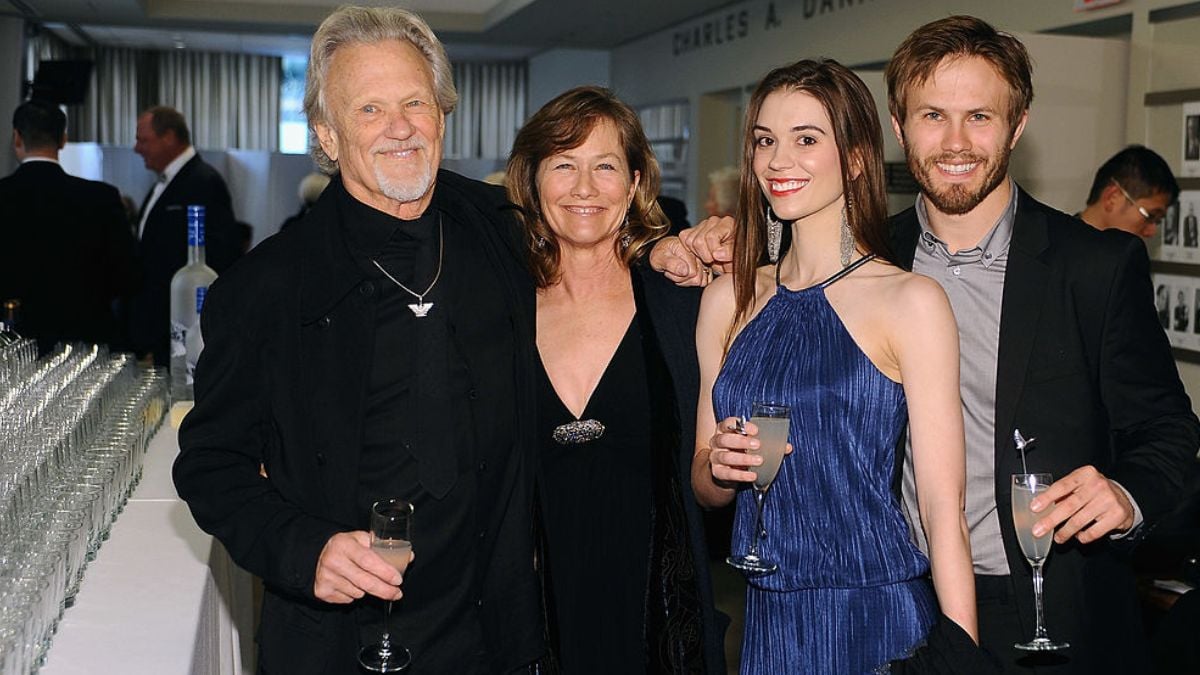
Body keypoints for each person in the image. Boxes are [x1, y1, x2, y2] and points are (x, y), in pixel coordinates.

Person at [659, 15, 1200, 674]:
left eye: (979, 117)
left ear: (1017, 126)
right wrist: (682, 245)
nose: (954, 141)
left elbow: (1170, 432)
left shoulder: (1093, 267)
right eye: (932, 115)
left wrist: (1125, 493)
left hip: (1051, 610)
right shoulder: (866, 258)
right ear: (896, 126)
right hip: (900, 601)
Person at [173, 7, 545, 673]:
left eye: (415, 102)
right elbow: (211, 464)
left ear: (442, 114)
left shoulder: (502, 231)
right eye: (370, 109)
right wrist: (305, 548)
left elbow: (602, 266)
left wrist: (676, 256)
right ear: (329, 135)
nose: (399, 127)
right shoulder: (268, 288)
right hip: (341, 643)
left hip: (494, 633)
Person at [691, 59, 976, 674]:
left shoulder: (910, 301)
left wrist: (962, 656)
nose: (777, 160)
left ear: (854, 157)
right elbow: (705, 488)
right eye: (765, 140)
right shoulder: (728, 298)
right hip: (765, 618)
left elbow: (942, 508)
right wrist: (717, 464)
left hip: (877, 619)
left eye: (806, 139)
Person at [505, 85, 723, 674]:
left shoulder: (681, 306)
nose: (583, 188)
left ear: (632, 184)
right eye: (563, 165)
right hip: (531, 625)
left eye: (604, 166)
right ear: (531, 181)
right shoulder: (496, 311)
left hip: (660, 626)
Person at [0, 99, 137, 354]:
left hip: (11, 346)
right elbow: (126, 277)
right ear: (63, 139)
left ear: (16, 138)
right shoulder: (101, 198)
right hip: (86, 347)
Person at [128, 105, 240, 366]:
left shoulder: (203, 182)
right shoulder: (166, 182)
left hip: (184, 328)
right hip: (160, 328)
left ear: (168, 137)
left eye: (143, 140)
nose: (136, 148)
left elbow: (221, 257)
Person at [1077, 145, 1177, 239]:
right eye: (1150, 216)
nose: (1151, 232)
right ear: (1112, 198)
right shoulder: (1063, 249)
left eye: (1157, 221)